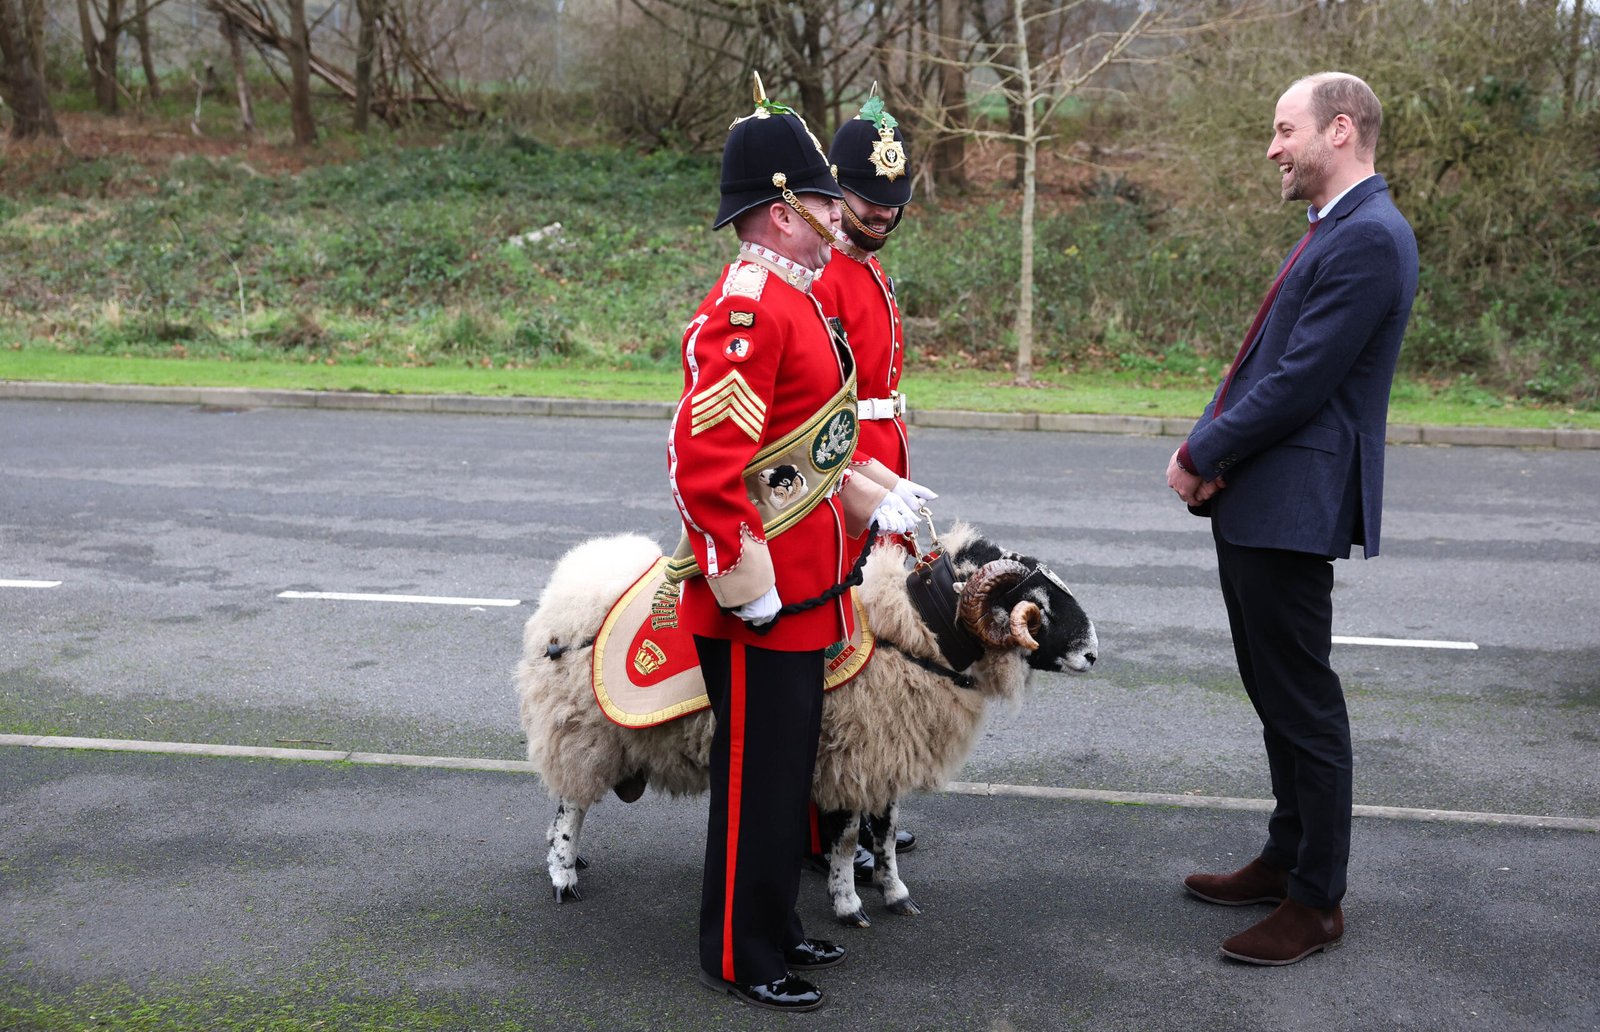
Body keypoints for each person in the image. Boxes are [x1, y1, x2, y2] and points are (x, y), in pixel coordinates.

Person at [667, 74, 919, 1012]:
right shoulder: (748, 311)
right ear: (778, 212)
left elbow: (804, 445)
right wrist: (743, 583)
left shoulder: (795, 296)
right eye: (819, 200)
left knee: (785, 779)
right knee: (753, 784)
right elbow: (706, 465)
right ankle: (738, 951)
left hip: (805, 581)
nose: (832, 216)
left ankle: (773, 924)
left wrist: (871, 496)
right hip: (758, 597)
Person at [1165, 71, 1418, 966]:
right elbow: (1269, 365)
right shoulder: (1341, 230)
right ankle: (1286, 856)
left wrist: (1203, 453)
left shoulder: (1371, 238)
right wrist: (1212, 448)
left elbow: (1298, 382)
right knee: (1277, 693)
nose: (1272, 148)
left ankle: (1317, 902)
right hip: (1265, 499)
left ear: (1339, 131)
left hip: (1290, 500)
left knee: (1304, 702)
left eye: (1284, 130)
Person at [807, 88, 932, 875]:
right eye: (865, 204)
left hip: (882, 469)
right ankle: (824, 814)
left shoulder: (866, 269)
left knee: (866, 648)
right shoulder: (824, 275)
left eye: (890, 207)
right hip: (846, 482)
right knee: (835, 654)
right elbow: (816, 413)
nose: (880, 219)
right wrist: (862, 481)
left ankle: (858, 803)